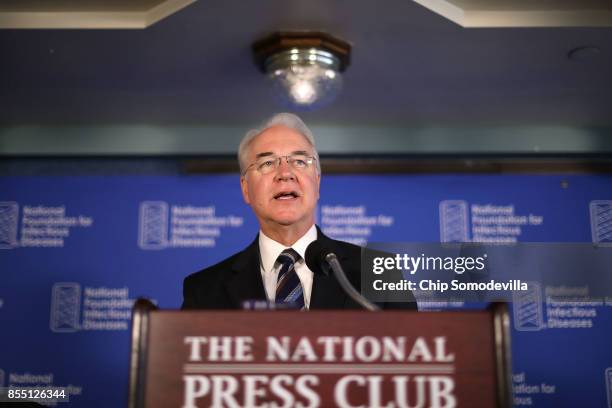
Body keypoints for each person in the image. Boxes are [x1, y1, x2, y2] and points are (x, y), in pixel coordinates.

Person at [182, 113, 416, 310]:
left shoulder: (379, 273)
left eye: (300, 161)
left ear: (317, 181)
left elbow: (414, 356)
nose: (285, 173)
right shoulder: (203, 291)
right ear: (245, 189)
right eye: (267, 163)